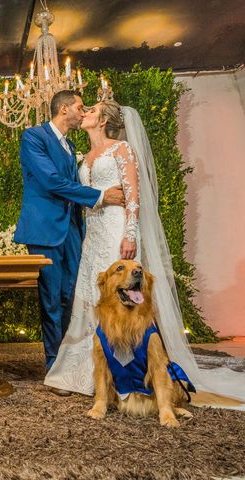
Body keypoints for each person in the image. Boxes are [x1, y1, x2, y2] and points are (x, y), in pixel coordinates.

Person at [44, 99, 245, 409]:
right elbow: (85, 197)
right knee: (90, 298)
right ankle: (85, 372)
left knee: (120, 299)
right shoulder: (82, 158)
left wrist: (130, 235)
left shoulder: (121, 150)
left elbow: (134, 198)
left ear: (103, 121)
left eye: (92, 110)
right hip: (93, 233)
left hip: (115, 230)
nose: (85, 113)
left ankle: (130, 370)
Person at [13, 90, 125, 394]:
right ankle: (53, 365)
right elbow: (50, 181)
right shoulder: (33, 137)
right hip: (45, 230)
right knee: (50, 298)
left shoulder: (71, 145)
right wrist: (100, 197)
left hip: (73, 231)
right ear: (64, 110)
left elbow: (73, 184)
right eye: (79, 106)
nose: (82, 110)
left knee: (69, 297)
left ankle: (70, 363)